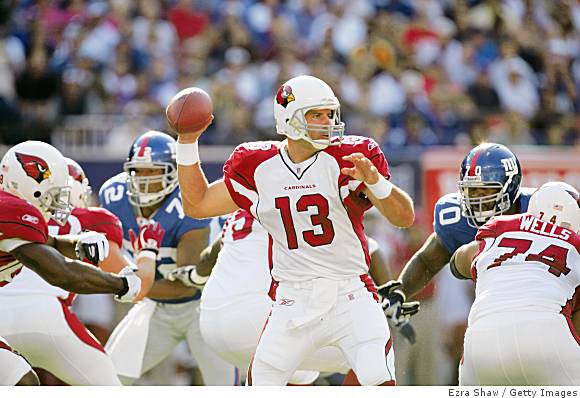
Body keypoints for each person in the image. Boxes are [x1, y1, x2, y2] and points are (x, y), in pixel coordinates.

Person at [174, 75, 415, 386]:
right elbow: (198, 204)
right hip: (291, 301)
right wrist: (187, 143)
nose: (327, 122)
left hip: (350, 294)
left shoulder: (350, 157)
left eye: (330, 114)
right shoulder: (258, 165)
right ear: (289, 118)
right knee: (261, 383)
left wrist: (377, 184)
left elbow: (404, 217)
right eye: (316, 114)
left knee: (378, 379)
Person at [0, 141, 154, 385]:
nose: (58, 204)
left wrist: (78, 243)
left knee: (23, 381)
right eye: (53, 194)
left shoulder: (11, 211)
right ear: (30, 183)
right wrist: (121, 284)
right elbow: (63, 273)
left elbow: (49, 242)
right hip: (48, 316)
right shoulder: (12, 211)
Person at [190, 209, 395, 385]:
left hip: (211, 325)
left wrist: (192, 276)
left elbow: (209, 256)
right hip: (257, 320)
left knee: (298, 370)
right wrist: (391, 298)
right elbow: (370, 248)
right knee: (369, 351)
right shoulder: (298, 194)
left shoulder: (243, 207)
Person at [100, 131, 238, 386]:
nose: (143, 179)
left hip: (205, 305)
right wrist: (130, 284)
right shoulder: (114, 196)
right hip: (156, 309)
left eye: (153, 171)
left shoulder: (188, 206)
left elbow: (183, 286)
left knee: (226, 386)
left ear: (174, 172)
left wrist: (132, 288)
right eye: (138, 171)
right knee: (106, 378)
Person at [450, 183, 580, 385]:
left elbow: (457, 262)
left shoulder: (500, 227)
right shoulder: (575, 244)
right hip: (548, 337)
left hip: (482, 342)